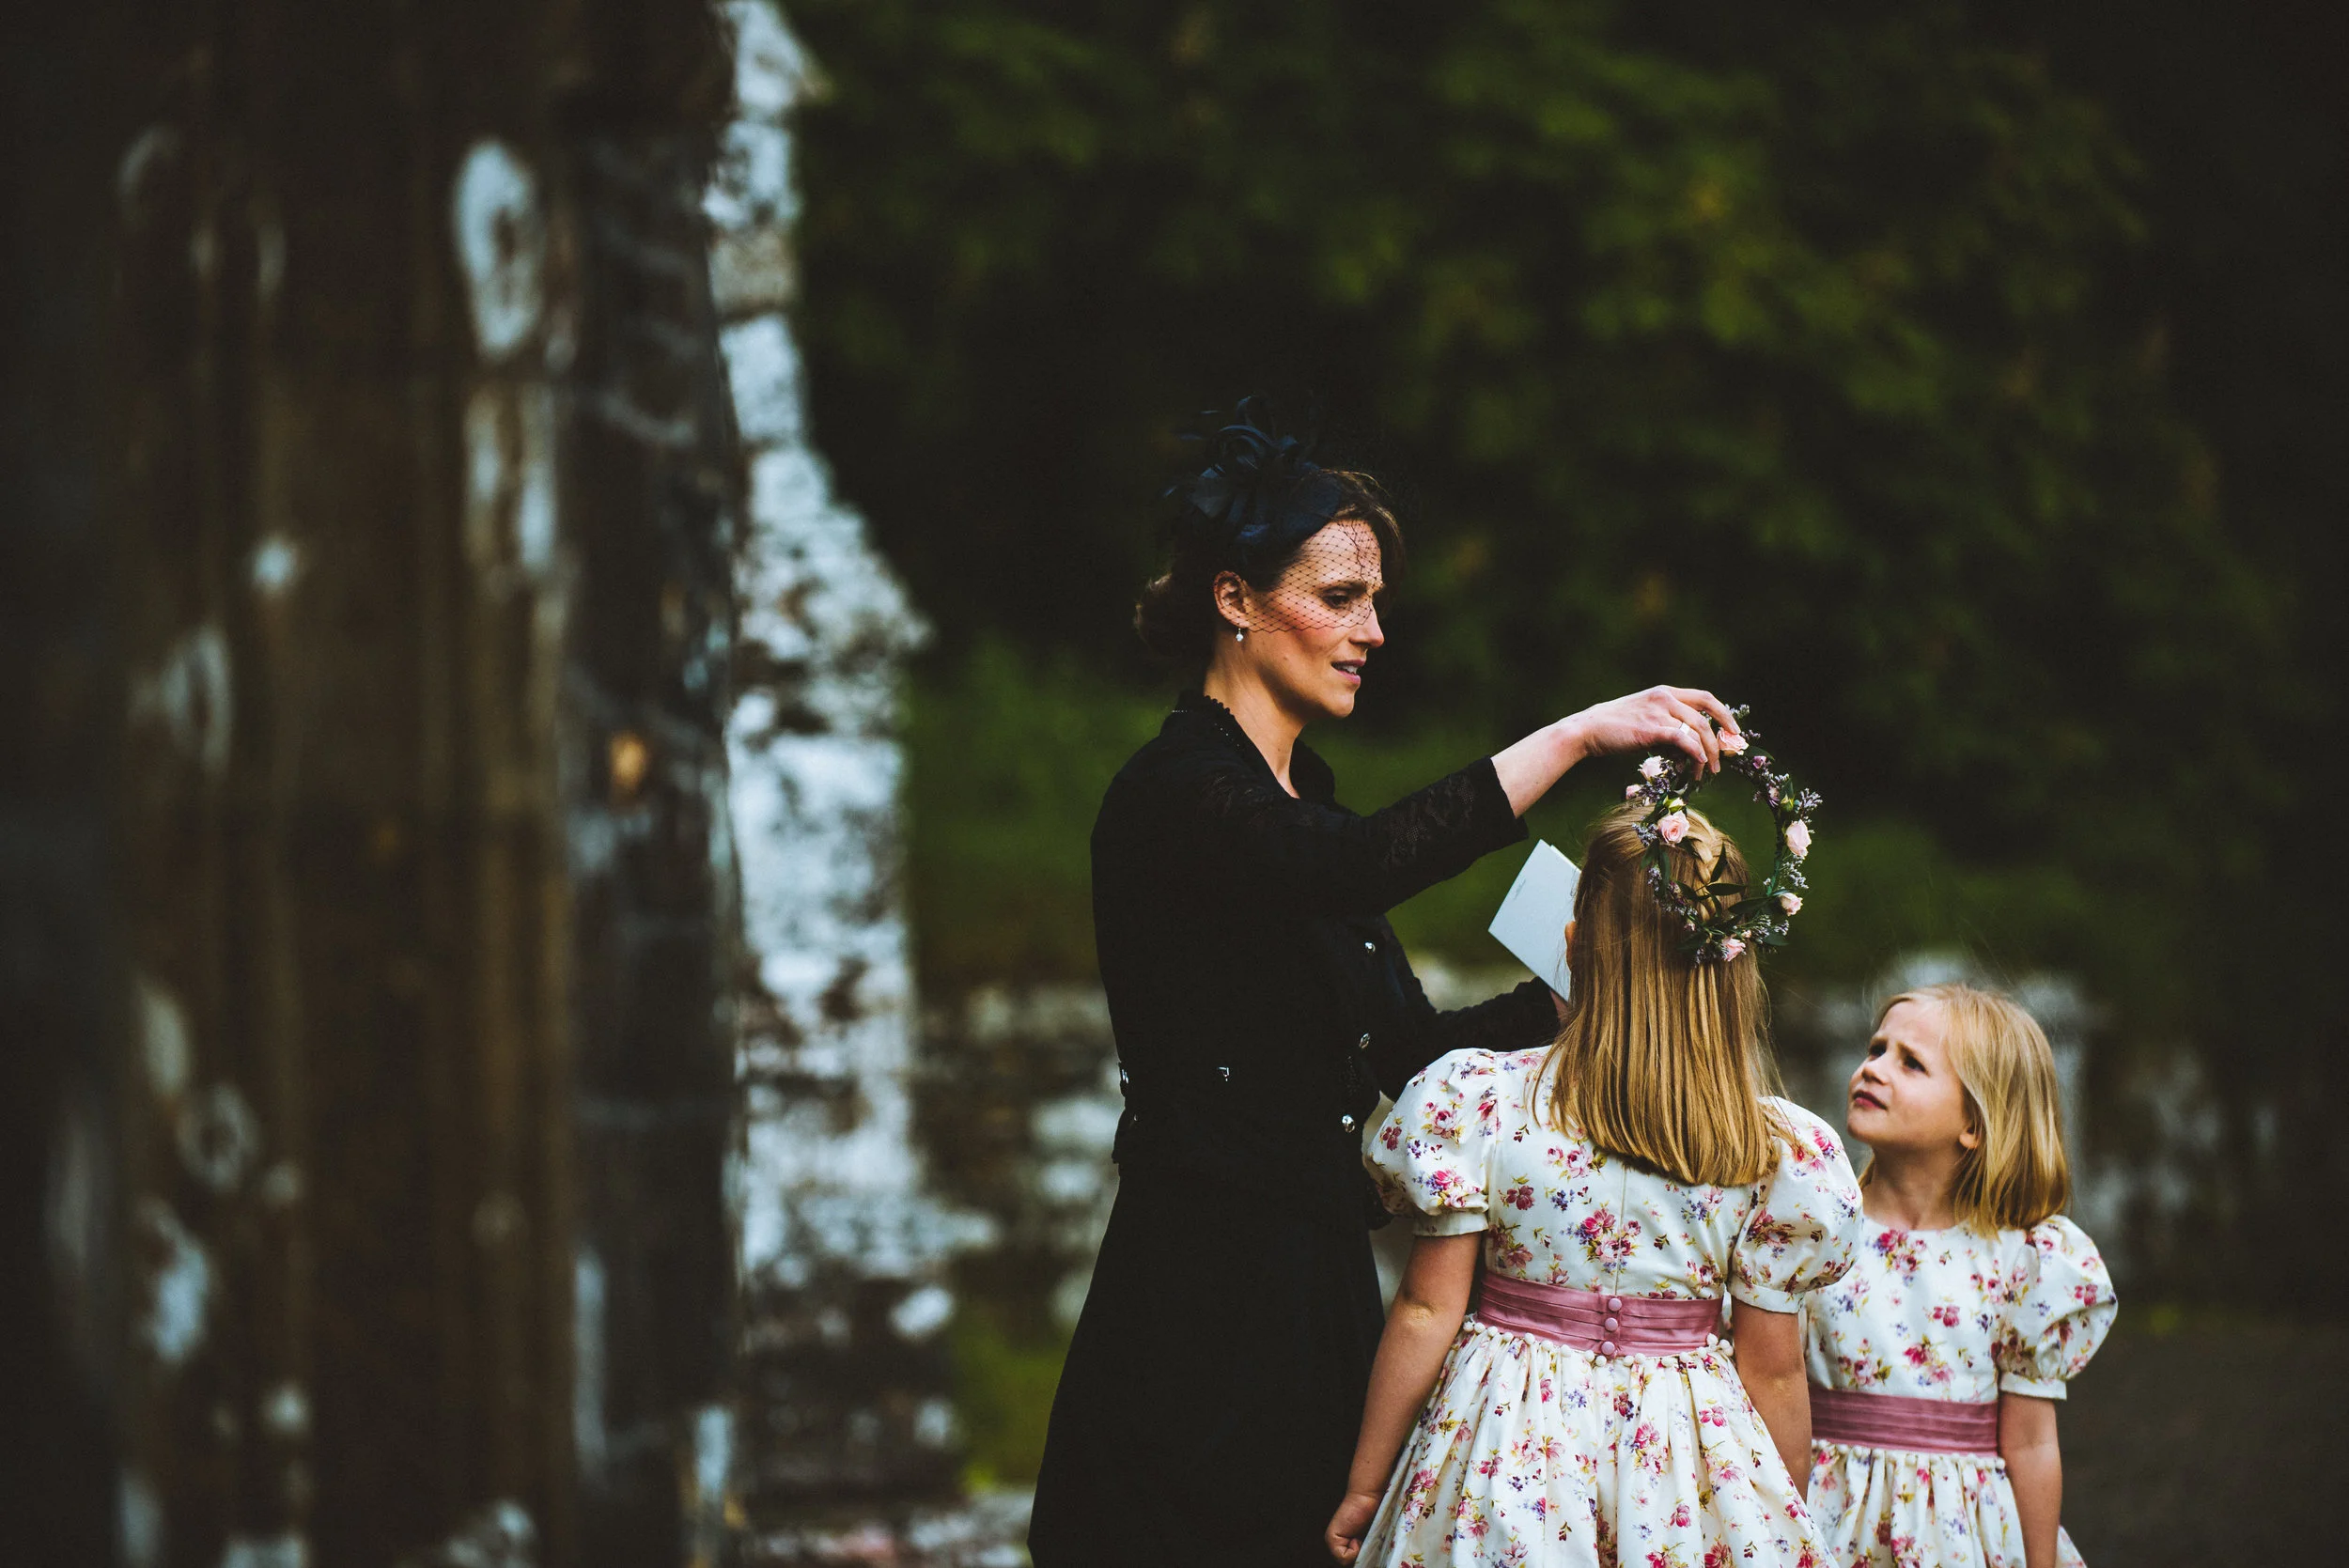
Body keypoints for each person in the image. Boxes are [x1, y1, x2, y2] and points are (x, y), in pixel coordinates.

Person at [1026, 400, 1745, 1567]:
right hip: (1200, 1287)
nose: (1369, 629)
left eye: (1375, 602)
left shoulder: (1303, 797)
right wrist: (1571, 737)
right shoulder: (1180, 795)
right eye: (1337, 596)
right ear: (1234, 601)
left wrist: (1575, 1005)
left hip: (1312, 1283)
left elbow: (1408, 1060)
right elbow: (1355, 868)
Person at [1326, 801, 1861, 1567]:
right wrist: (1783, 1517)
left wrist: (1366, 1482)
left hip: (1508, 1443)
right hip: (1685, 1466)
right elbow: (1771, 1366)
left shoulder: (1483, 1099)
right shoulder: (1768, 1148)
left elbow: (1424, 1309)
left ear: (1572, 946)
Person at [1802, 983, 2118, 1568]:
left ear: (1974, 1121)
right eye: (1876, 1049)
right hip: (1828, 1524)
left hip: (1961, 1537)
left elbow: (2030, 1442)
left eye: (1910, 1062)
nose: (1873, 1069)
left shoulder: (2023, 1263)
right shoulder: (1813, 1234)